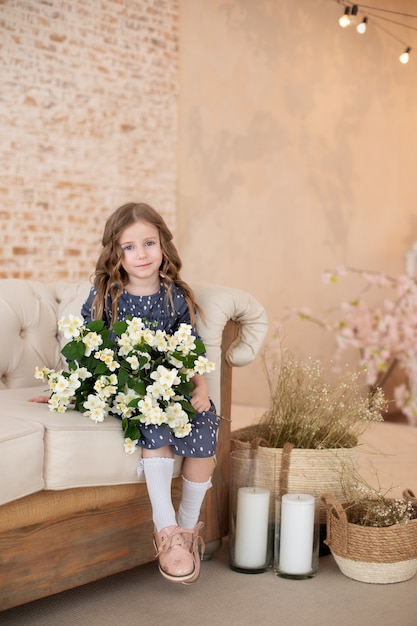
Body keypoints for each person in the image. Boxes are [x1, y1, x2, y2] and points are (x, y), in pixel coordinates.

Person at [33, 202, 219, 585]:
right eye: (129, 247)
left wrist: (200, 389)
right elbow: (86, 347)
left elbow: (192, 349)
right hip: (125, 389)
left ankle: (185, 531)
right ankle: (165, 530)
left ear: (163, 245)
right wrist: (65, 390)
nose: (141, 254)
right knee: (153, 423)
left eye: (149, 243)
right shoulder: (106, 293)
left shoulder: (175, 297)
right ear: (115, 254)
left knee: (204, 424)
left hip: (170, 384)